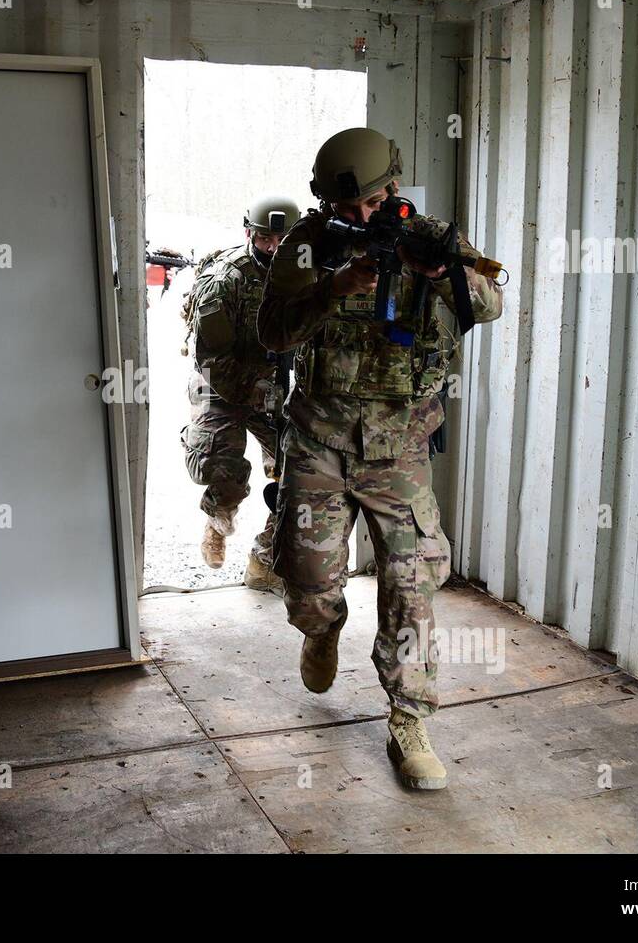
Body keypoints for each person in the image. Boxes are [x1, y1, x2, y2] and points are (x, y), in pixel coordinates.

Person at [258, 128, 503, 789]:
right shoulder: (307, 247)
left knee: (411, 584)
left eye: (372, 202)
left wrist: (439, 272)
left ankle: (408, 718)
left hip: (399, 449)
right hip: (320, 442)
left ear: (393, 187)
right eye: (349, 209)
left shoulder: (433, 236)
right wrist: (334, 287)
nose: (364, 218)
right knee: (309, 583)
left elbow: (493, 302)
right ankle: (321, 630)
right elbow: (273, 332)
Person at [180, 196, 300, 592]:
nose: (275, 247)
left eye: (284, 238)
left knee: (299, 475)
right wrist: (255, 390)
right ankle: (218, 520)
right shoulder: (226, 279)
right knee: (222, 468)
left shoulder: (307, 274)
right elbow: (211, 358)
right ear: (249, 233)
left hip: (276, 386)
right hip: (223, 383)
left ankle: (264, 559)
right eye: (266, 238)